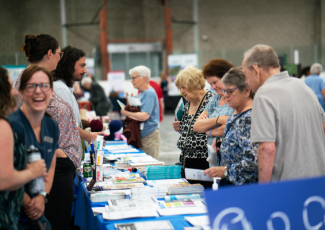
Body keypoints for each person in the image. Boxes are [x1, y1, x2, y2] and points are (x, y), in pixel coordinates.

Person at [242, 44, 325, 183]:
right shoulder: (302, 86)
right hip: (318, 179)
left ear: (256, 70)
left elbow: (267, 149)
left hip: (288, 185)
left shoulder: (264, 95)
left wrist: (264, 190)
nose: (246, 81)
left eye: (245, 75)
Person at [50, 46, 103, 228]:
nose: (85, 70)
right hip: (62, 160)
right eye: (82, 65)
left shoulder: (63, 88)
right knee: (60, 217)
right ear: (69, 65)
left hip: (65, 160)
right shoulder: (61, 90)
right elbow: (71, 127)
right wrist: (90, 136)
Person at [8, 66, 59, 229]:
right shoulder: (10, 126)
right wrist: (30, 204)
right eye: (31, 86)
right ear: (21, 93)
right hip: (11, 212)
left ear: (51, 92)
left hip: (37, 209)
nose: (38, 91)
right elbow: (4, 173)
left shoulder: (51, 126)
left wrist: (43, 196)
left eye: (44, 85)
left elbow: (50, 165)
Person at [0, 67, 47, 230]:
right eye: (10, 86)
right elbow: (4, 180)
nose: (14, 92)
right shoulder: (3, 125)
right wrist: (33, 171)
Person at [203, 67, 258, 186]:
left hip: (243, 190)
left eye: (230, 91)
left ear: (247, 91)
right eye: (224, 91)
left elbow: (254, 162)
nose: (226, 95)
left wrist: (226, 171)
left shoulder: (249, 119)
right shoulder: (237, 114)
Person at [172, 66, 214, 184]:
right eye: (180, 88)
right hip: (187, 160)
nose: (182, 91)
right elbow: (191, 130)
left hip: (204, 161)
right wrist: (181, 128)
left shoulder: (211, 100)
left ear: (194, 84)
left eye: (183, 87)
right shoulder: (188, 103)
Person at [193, 59, 235, 166]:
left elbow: (232, 127)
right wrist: (219, 120)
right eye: (210, 84)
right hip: (213, 158)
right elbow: (197, 126)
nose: (213, 87)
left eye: (215, 82)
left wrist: (209, 131)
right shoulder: (215, 99)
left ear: (226, 77)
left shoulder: (236, 99)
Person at [121, 66, 160, 158]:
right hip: (142, 136)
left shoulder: (149, 93)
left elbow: (144, 116)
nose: (131, 81)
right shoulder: (142, 93)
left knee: (149, 167)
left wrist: (126, 113)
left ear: (144, 78)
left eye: (134, 78)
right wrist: (129, 106)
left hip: (148, 137)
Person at [15, 34, 62, 107]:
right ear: (49, 54)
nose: (60, 58)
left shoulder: (29, 74)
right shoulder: (35, 77)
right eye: (59, 54)